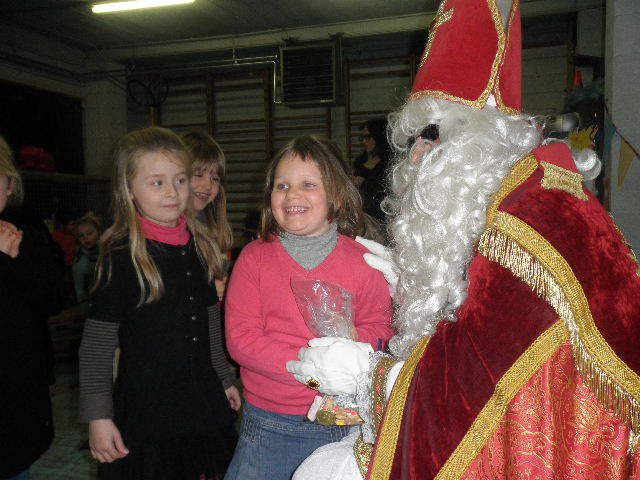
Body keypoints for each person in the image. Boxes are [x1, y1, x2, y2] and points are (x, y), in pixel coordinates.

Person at [288, 1, 640, 479]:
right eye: (412, 139)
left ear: (487, 136)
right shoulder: (513, 199)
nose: (416, 157)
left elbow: (469, 400)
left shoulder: (524, 230)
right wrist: (418, 276)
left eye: (431, 133)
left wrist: (364, 375)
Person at [223, 135, 394, 480]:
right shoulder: (254, 258)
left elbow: (380, 328)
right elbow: (241, 340)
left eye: (308, 185)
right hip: (270, 426)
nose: (292, 195)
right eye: (281, 185)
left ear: (336, 195)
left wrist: (347, 353)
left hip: (343, 423)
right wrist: (307, 366)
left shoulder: (364, 260)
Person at [78, 127, 238, 480]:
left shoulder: (200, 245)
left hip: (200, 403)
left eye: (180, 181)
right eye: (157, 183)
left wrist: (224, 378)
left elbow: (209, 319)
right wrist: (98, 417)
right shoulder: (120, 256)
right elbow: (97, 346)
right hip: (146, 411)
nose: (172, 193)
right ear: (128, 189)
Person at [0, 137, 65, 480]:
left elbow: (57, 296)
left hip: (16, 401)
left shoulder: (27, 231)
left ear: (10, 185)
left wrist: (14, 263)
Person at [182, 130, 241, 412]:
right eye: (199, 174)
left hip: (210, 343)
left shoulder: (213, 231)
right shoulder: (174, 233)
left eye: (215, 178)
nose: (207, 185)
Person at [352, 118, 391, 224]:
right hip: (364, 216)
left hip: (383, 217)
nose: (364, 142)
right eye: (363, 138)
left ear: (378, 137)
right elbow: (353, 185)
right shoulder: (360, 161)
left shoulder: (389, 163)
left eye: (368, 137)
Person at [72, 212, 101, 304]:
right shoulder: (80, 262)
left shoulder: (108, 251)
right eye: (81, 236)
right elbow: (79, 286)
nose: (86, 238)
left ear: (99, 232)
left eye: (89, 233)